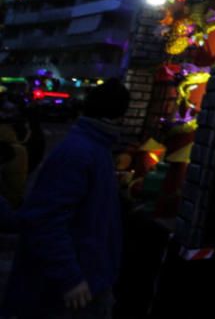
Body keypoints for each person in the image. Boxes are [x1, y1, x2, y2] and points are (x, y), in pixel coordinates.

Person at [2, 79, 131, 318]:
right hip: (69, 288)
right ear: (120, 113)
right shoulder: (82, 152)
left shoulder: (94, 147)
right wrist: (70, 277)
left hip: (85, 278)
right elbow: (45, 220)